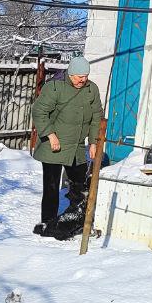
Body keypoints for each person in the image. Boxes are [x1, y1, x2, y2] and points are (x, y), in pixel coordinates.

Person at [30, 55, 104, 239]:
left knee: (80, 186)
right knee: (52, 187)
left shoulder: (91, 89)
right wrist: (50, 134)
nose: (83, 79)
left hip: (77, 148)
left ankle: (78, 221)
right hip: (54, 146)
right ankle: (47, 223)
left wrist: (93, 142)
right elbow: (39, 111)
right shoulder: (54, 87)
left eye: (85, 76)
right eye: (79, 76)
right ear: (70, 73)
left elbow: (96, 116)